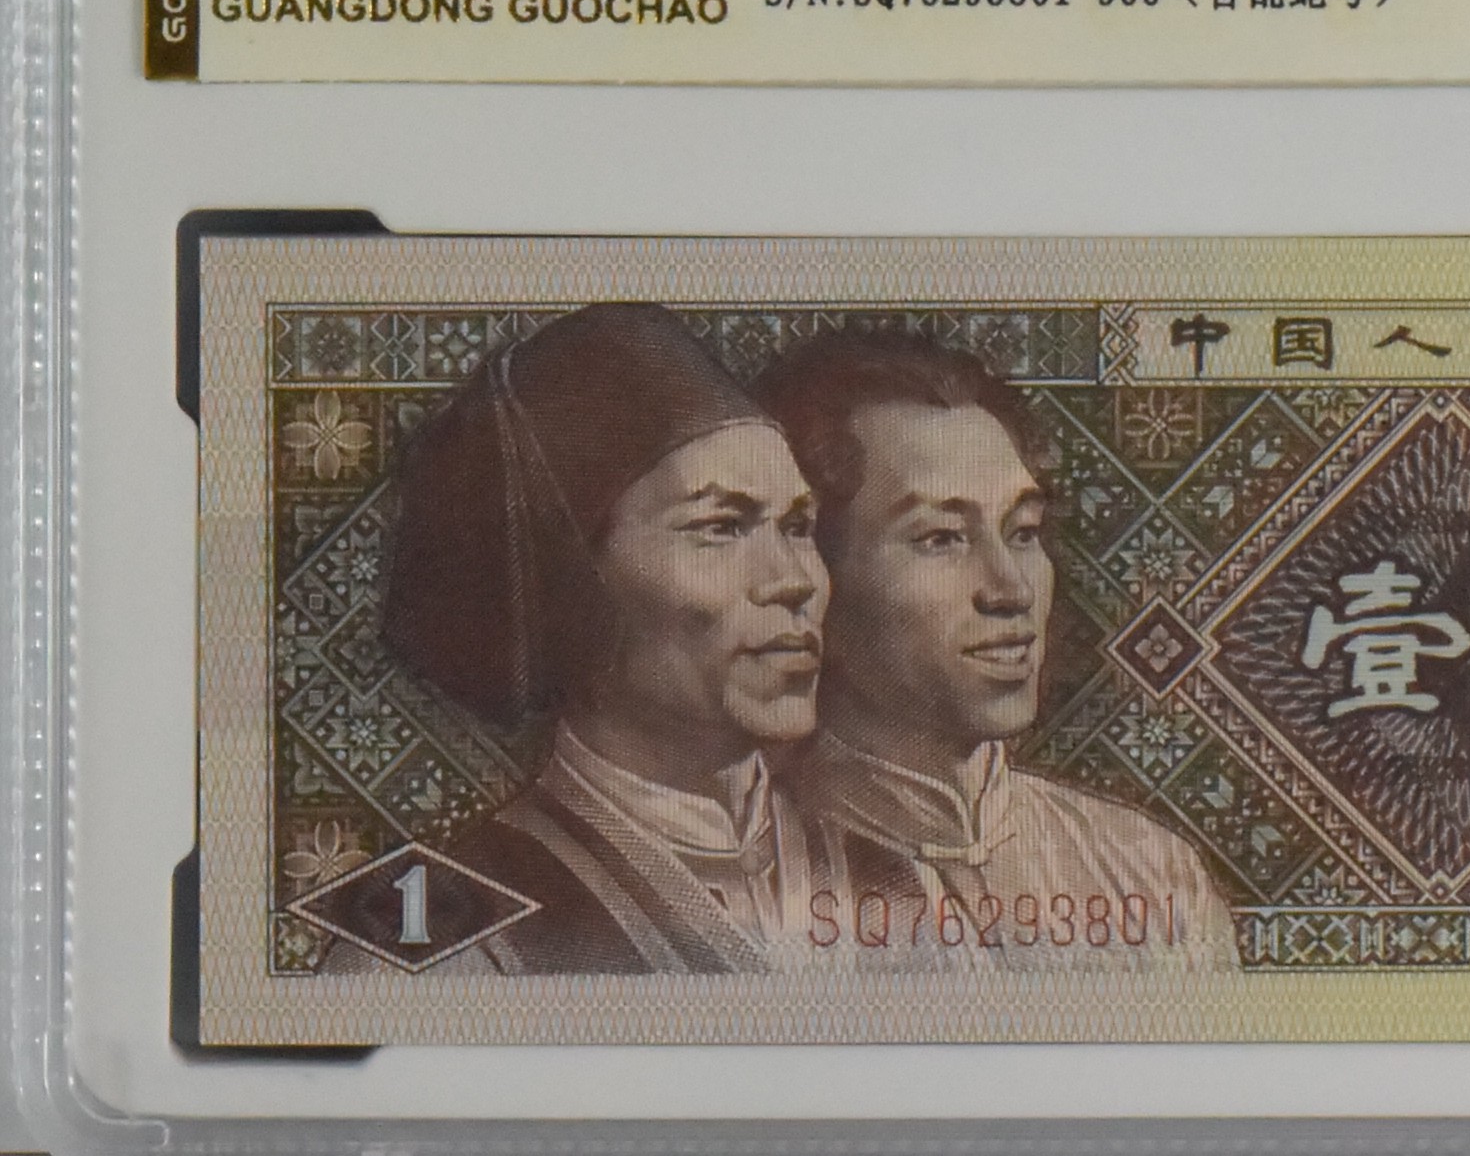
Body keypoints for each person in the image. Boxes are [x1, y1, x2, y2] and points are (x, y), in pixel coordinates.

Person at [375, 302, 834, 974]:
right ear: (572, 580)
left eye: (797, 527)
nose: (793, 580)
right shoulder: (441, 933)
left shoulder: (904, 875)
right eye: (720, 527)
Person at [756, 330, 1238, 969]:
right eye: (941, 538)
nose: (1011, 590)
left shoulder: (1150, 874)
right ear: (814, 573)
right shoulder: (737, 886)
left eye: (1023, 532)